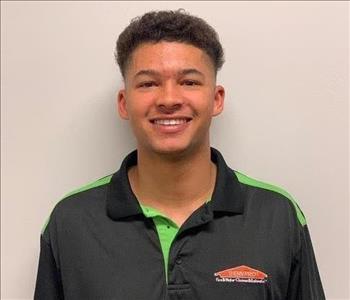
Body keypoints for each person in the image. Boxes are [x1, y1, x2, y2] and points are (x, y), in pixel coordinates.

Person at [34, 9, 325, 299]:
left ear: (216, 99)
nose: (169, 99)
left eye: (189, 82)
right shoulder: (71, 221)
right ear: (124, 103)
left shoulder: (277, 216)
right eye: (148, 83)